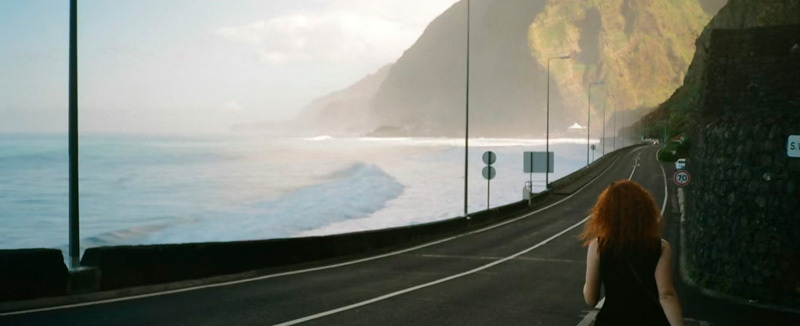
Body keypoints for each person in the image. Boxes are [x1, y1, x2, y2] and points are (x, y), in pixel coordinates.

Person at [580, 180, 684, 326]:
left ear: (606, 214)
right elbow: (666, 294)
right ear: (645, 211)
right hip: (651, 320)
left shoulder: (598, 246)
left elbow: (591, 299)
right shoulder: (660, 247)